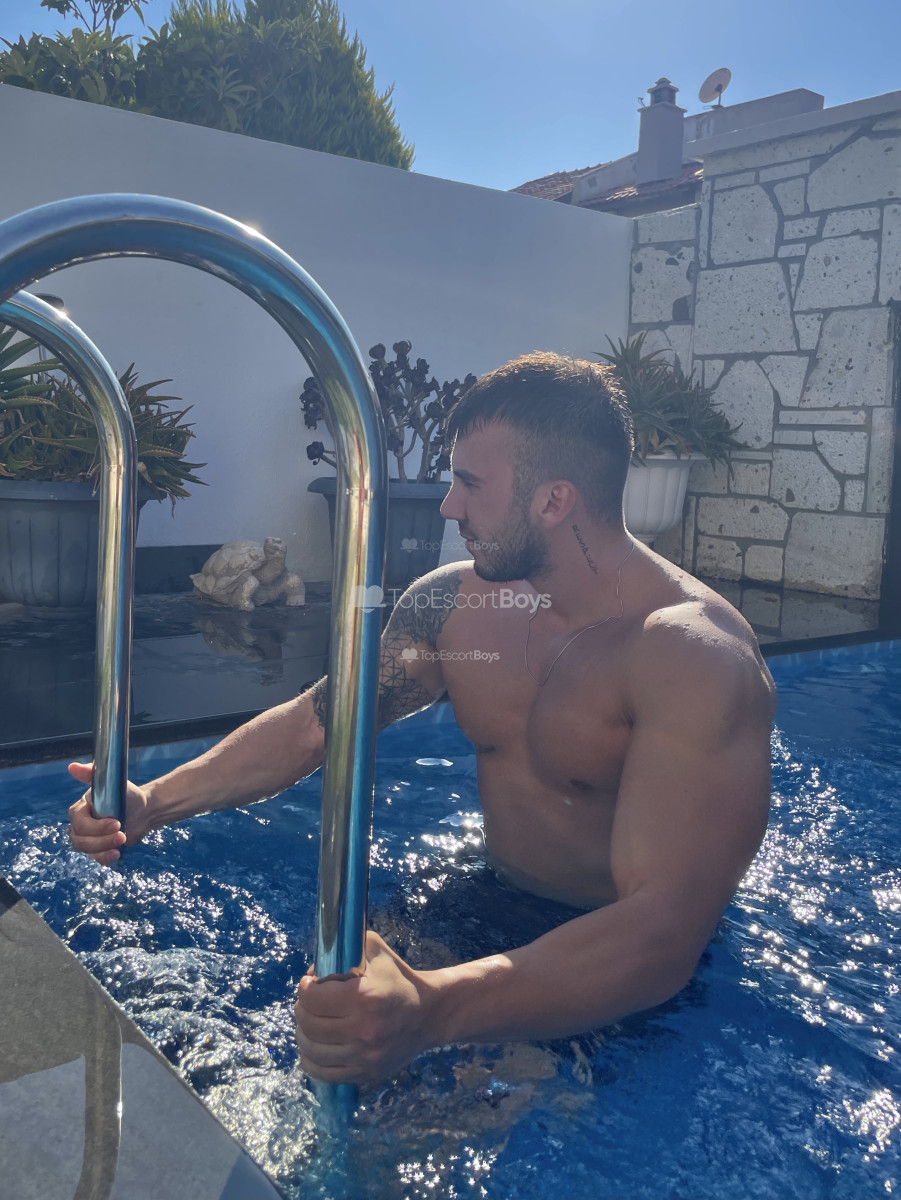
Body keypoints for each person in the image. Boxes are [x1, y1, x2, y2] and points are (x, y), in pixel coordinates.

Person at [69, 351, 776, 1086]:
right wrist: (152, 802)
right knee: (284, 1038)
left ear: (554, 501)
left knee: (418, 1118)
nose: (447, 507)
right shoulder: (455, 606)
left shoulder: (690, 656)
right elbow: (318, 722)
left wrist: (432, 1009)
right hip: (483, 896)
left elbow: (663, 931)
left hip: (610, 964)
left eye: (470, 484)